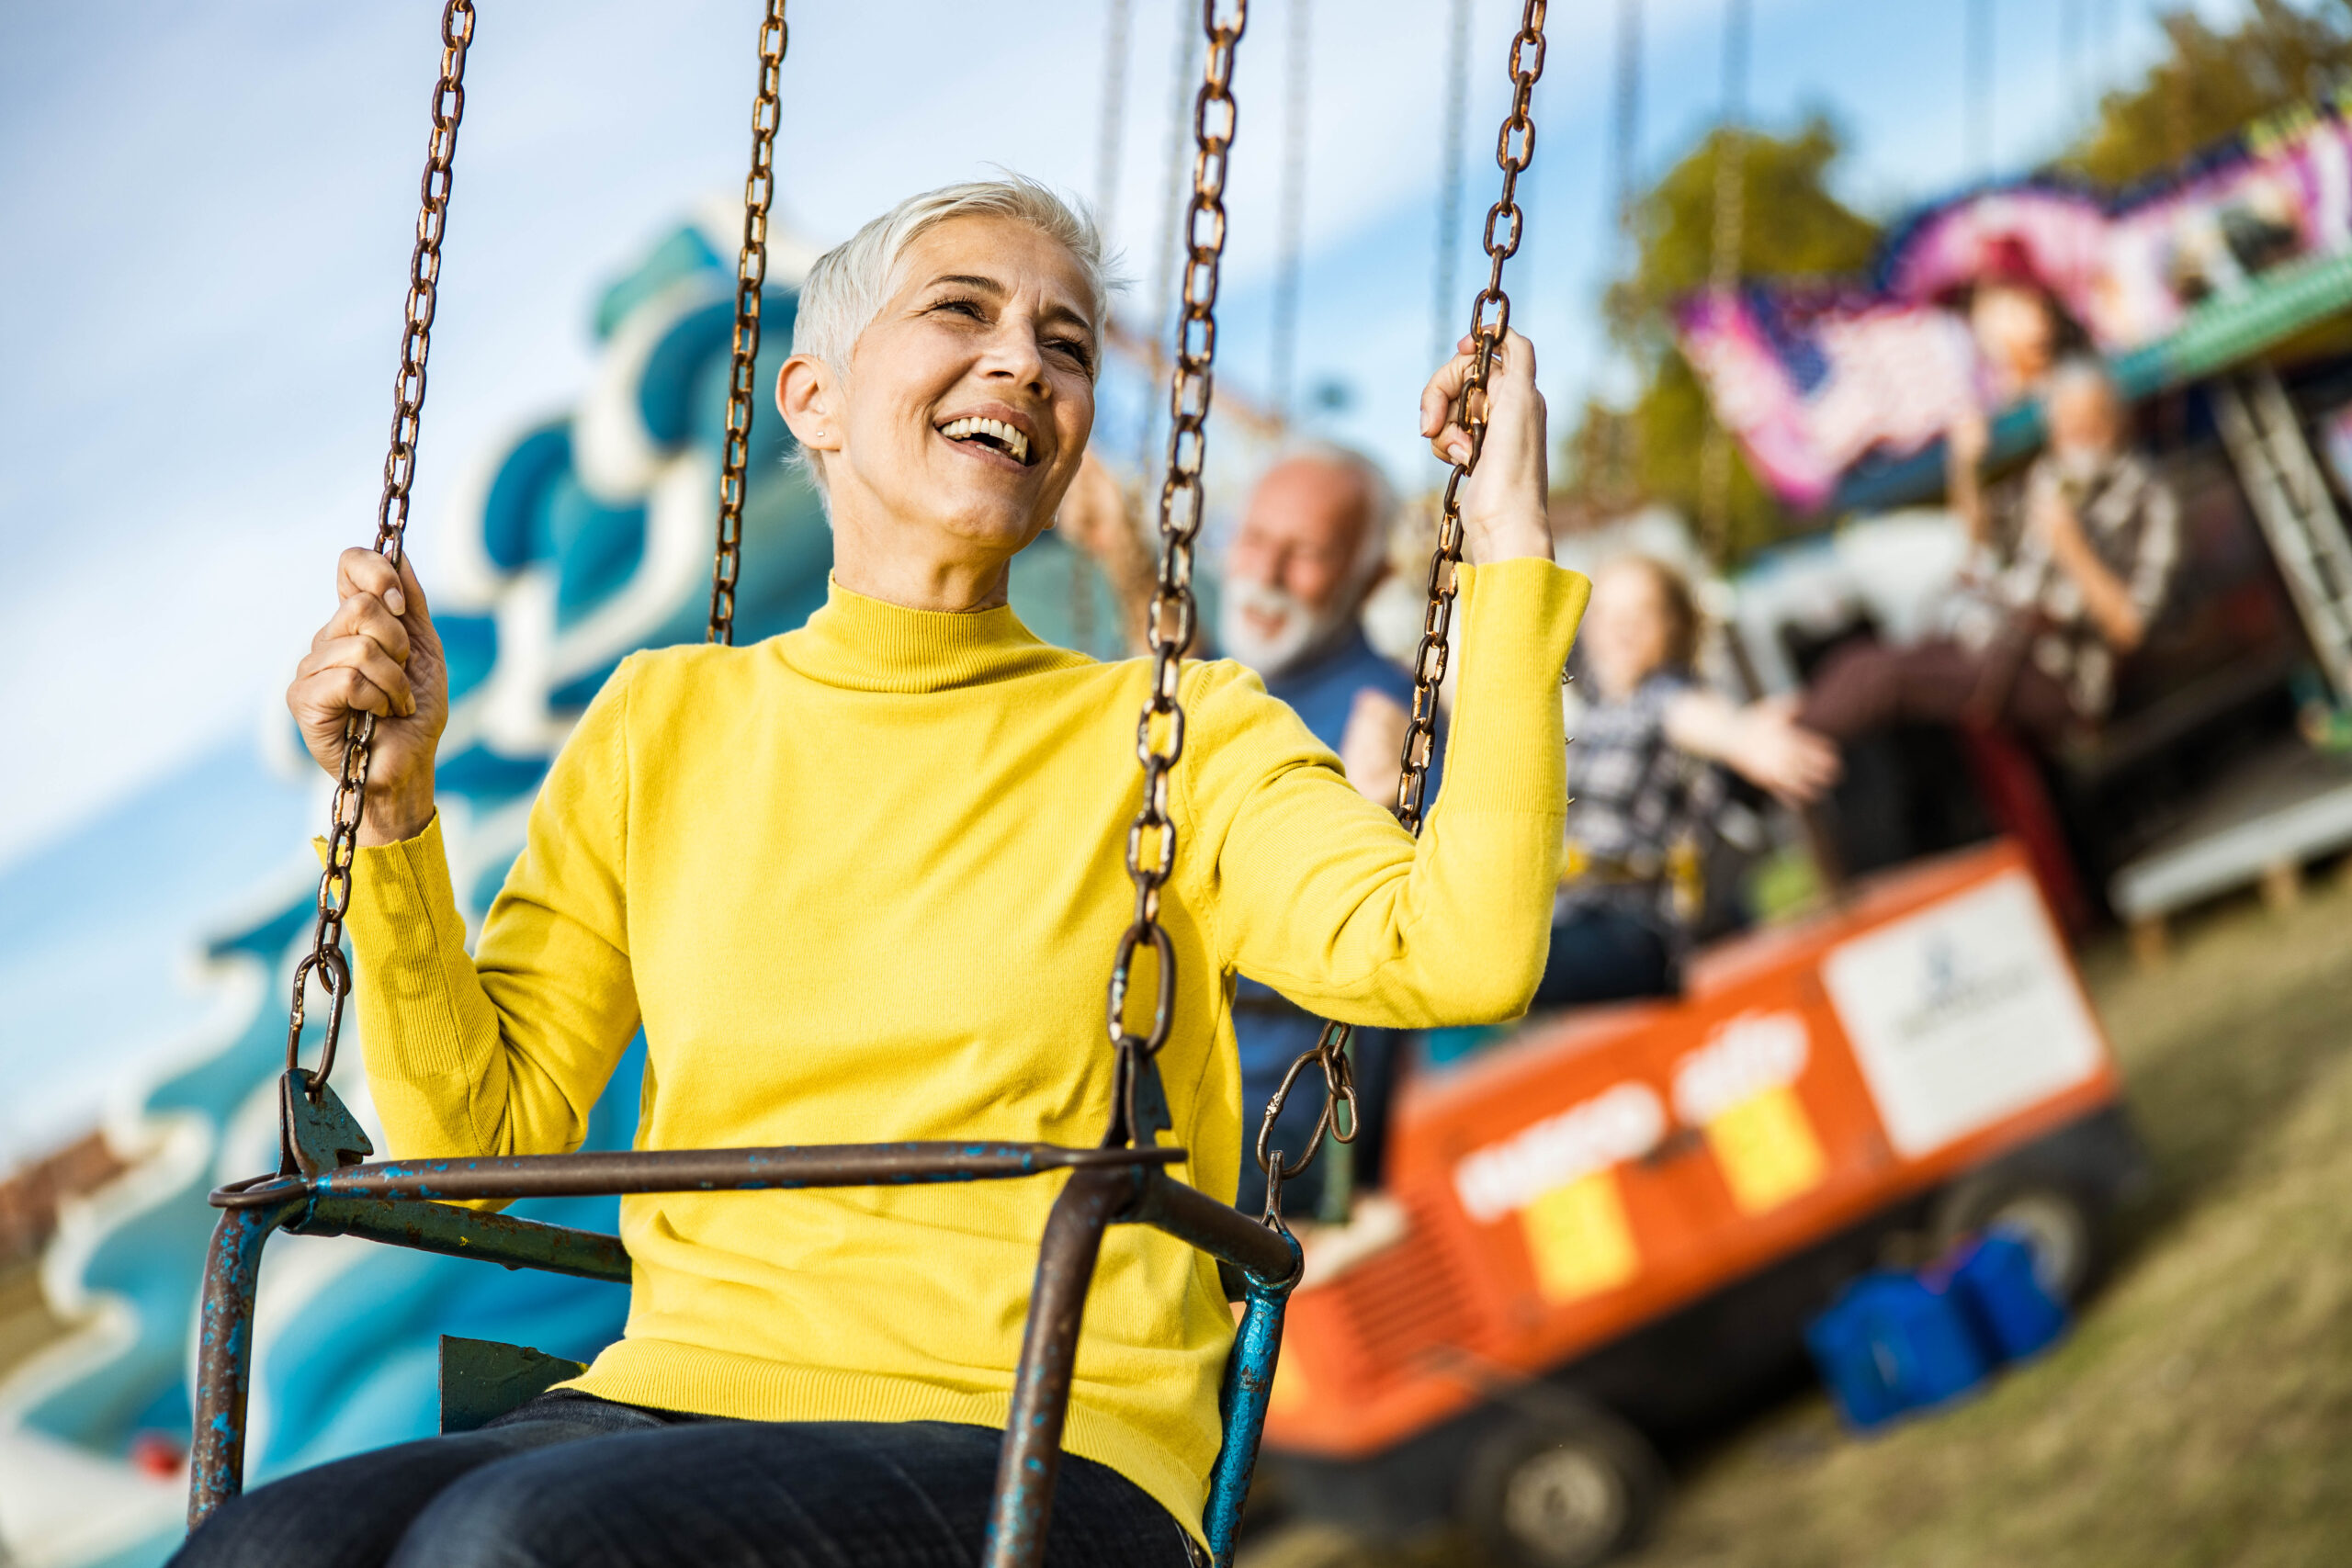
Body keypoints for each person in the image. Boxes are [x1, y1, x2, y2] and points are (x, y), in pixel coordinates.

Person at [178, 177, 1588, 1568]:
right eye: (961, 310)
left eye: (1068, 344)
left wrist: (1508, 541)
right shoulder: (659, 723)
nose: (1021, 362)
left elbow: (1456, 948)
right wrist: (394, 813)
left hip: (1045, 1433)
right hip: (673, 1396)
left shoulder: (1175, 732)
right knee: (270, 1540)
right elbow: (477, 1148)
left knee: (520, 1541)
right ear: (815, 399)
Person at [1217, 446, 1420, 1223]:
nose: (1265, 572)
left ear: (1367, 582)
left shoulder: (1388, 717)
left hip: (1274, 1130)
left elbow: (1399, 929)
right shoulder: (1212, 677)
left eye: (1303, 554)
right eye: (1255, 539)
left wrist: (1375, 814)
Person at [1799, 357, 2180, 752]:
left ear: (2114, 421)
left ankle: (1772, 757)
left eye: (2087, 421)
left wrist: (2073, 549)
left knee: (1881, 677)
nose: (2075, 433)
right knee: (1856, 661)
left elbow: (2131, 628)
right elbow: (1978, 538)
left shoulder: (2148, 497)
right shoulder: (2047, 477)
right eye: (2064, 421)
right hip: (1989, 638)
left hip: (2058, 671)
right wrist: (1964, 464)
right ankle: (1780, 730)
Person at [1537, 554, 1840, 1008]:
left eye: (1641, 615)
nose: (1622, 631)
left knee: (1507, 966)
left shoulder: (1665, 695)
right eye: (1608, 615)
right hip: (1572, 918)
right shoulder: (1591, 716)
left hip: (1635, 928)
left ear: (1673, 626)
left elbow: (1694, 718)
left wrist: (1743, 740)